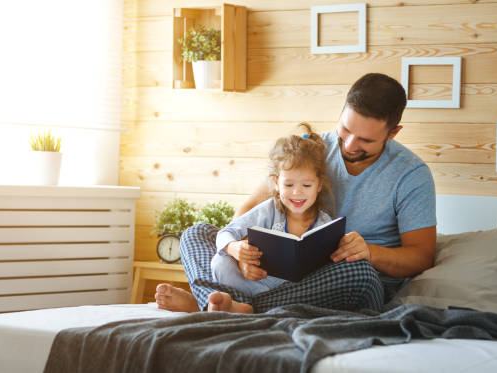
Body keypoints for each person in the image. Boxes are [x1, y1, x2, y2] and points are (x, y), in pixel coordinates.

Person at [155, 73, 437, 314]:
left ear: (392, 133)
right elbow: (247, 211)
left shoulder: (411, 175)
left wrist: (369, 252)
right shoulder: (310, 149)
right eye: (346, 129)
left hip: (340, 278)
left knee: (361, 276)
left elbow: (421, 257)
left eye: (365, 140)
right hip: (273, 273)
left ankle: (216, 305)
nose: (350, 145)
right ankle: (224, 304)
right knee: (197, 233)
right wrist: (241, 253)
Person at [212, 123, 334, 296]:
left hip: (298, 292)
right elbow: (225, 232)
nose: (297, 192)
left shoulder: (324, 223)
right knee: (220, 262)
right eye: (288, 184)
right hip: (255, 284)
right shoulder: (268, 210)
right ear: (276, 183)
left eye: (306, 185)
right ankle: (252, 305)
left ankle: (247, 307)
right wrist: (234, 248)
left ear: (319, 185)